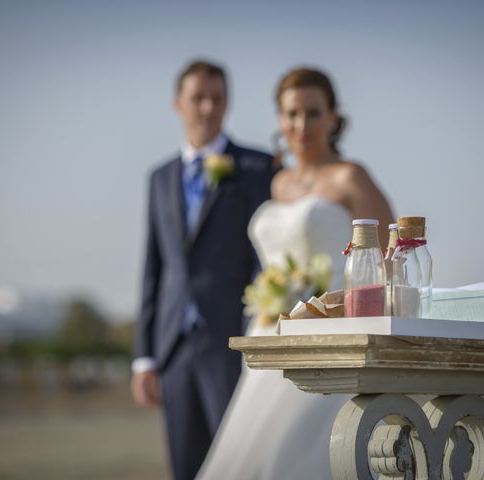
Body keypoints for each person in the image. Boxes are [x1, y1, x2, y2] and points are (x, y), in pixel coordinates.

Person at [197, 67, 394, 479]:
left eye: (313, 112)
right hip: (269, 332)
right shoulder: (278, 185)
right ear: (280, 119)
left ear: (333, 118)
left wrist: (345, 306)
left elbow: (389, 261)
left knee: (300, 450)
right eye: (291, 114)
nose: (301, 124)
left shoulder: (351, 178)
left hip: (330, 334)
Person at [131, 59, 274, 480]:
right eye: (198, 98)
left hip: (231, 339)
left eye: (217, 98)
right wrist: (144, 357)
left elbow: (263, 257)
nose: (208, 108)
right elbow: (153, 267)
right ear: (178, 104)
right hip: (173, 346)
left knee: (236, 462)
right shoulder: (159, 177)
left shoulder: (256, 168)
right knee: (184, 467)